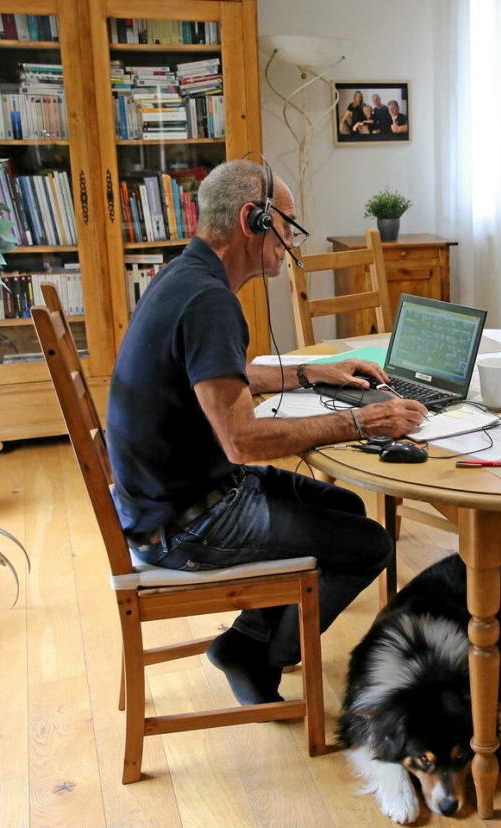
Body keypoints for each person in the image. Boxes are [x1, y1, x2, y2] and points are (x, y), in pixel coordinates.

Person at [107, 159, 427, 706]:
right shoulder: (210, 301)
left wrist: (310, 372)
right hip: (186, 524)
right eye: (287, 223)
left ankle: (249, 642)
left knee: (348, 509)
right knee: (370, 543)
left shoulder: (185, 275)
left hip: (163, 501)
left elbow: (219, 378)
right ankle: (260, 652)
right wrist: (361, 419)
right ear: (253, 220)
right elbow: (243, 442)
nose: (290, 239)